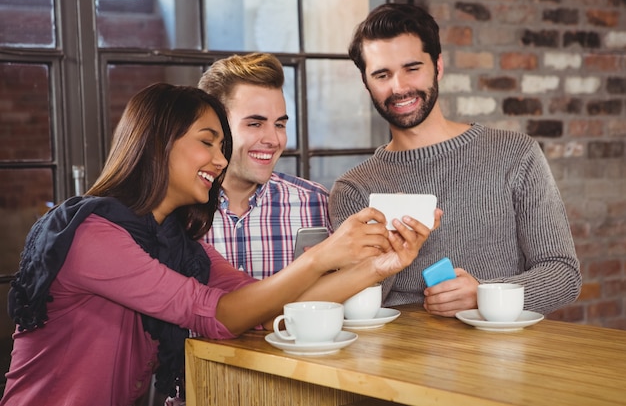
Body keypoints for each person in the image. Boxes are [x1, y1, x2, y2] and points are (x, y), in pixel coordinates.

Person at [1, 82, 439, 406]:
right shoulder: (93, 235)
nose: (220, 160)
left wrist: (377, 267)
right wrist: (322, 257)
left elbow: (265, 310)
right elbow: (215, 315)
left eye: (223, 147)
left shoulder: (180, 245)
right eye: (207, 142)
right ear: (158, 141)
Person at [329, 3, 581, 317]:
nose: (399, 87)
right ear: (366, 84)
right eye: (382, 74)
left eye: (412, 68)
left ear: (438, 66)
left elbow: (563, 275)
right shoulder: (354, 189)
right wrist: (388, 251)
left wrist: (484, 295)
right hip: (397, 360)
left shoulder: (515, 153)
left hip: (501, 357)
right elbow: (352, 306)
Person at [197, 53, 332, 279]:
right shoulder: (178, 210)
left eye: (279, 124)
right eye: (255, 123)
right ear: (214, 126)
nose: (273, 139)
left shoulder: (315, 203)